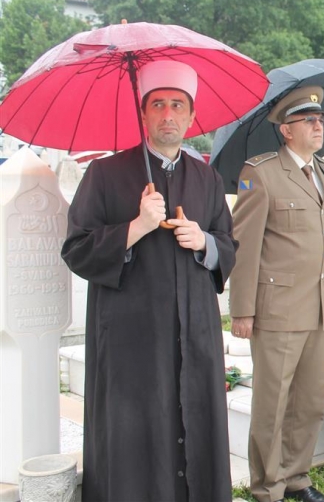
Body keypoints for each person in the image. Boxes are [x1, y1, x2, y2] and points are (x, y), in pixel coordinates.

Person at [61, 60, 237, 501]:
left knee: (194, 421)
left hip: (194, 330)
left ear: (191, 116)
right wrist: (135, 227)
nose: (168, 115)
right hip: (132, 337)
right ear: (143, 114)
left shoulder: (208, 177)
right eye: (157, 104)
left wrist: (204, 242)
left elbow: (228, 244)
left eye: (178, 105)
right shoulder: (105, 174)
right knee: (138, 437)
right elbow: (76, 249)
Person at [229, 86, 324, 502]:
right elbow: (244, 246)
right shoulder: (259, 173)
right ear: (286, 130)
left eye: (320, 119)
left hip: (321, 308)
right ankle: (268, 488)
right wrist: (242, 311)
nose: (319, 125)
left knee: (309, 405)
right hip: (279, 310)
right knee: (273, 406)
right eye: (309, 121)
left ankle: (298, 479)